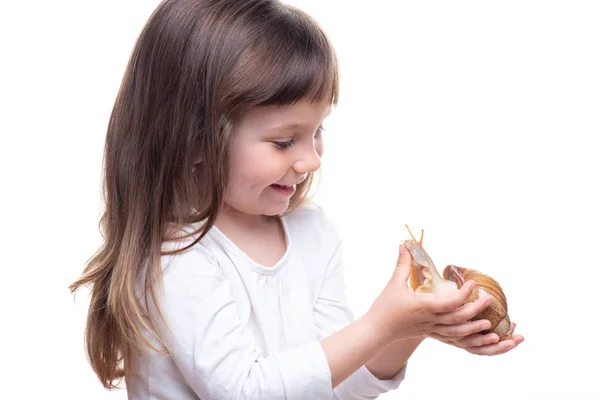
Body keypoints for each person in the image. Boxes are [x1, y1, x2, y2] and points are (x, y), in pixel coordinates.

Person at [69, 0, 524, 398]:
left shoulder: (313, 234)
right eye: (285, 141)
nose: (310, 160)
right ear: (193, 139)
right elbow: (244, 391)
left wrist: (412, 327)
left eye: (317, 131)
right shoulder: (175, 257)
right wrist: (379, 325)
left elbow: (334, 386)